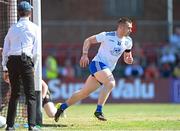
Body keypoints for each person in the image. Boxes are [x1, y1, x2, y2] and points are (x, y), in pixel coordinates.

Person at [54, 17, 134, 122]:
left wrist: (129, 59)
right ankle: (98, 111)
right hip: (97, 64)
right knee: (111, 83)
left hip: (106, 70)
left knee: (84, 93)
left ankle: (62, 107)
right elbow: (88, 40)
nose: (131, 30)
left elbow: (127, 55)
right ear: (121, 27)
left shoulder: (128, 41)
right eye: (129, 28)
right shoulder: (107, 35)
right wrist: (84, 55)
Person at [2, 1, 40, 130]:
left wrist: (4, 67)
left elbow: (6, 50)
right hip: (26, 61)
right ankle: (32, 126)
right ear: (30, 12)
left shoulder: (12, 28)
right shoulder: (34, 28)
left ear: (18, 13)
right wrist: (34, 66)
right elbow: (37, 51)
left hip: (12, 62)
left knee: (15, 94)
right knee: (30, 95)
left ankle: (10, 126)